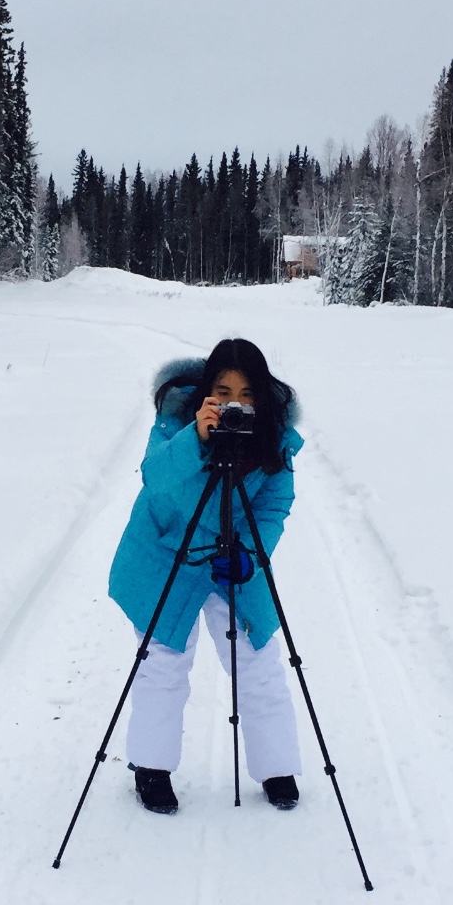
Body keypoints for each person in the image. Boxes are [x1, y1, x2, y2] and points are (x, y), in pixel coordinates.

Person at [107, 338, 304, 814]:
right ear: (206, 393)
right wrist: (195, 439)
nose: (236, 402)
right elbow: (157, 479)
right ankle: (151, 768)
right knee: (163, 660)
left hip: (232, 555)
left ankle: (278, 766)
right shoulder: (176, 424)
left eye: (248, 393)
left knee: (259, 659)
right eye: (224, 390)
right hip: (165, 554)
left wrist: (251, 557)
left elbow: (275, 505)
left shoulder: (273, 440)